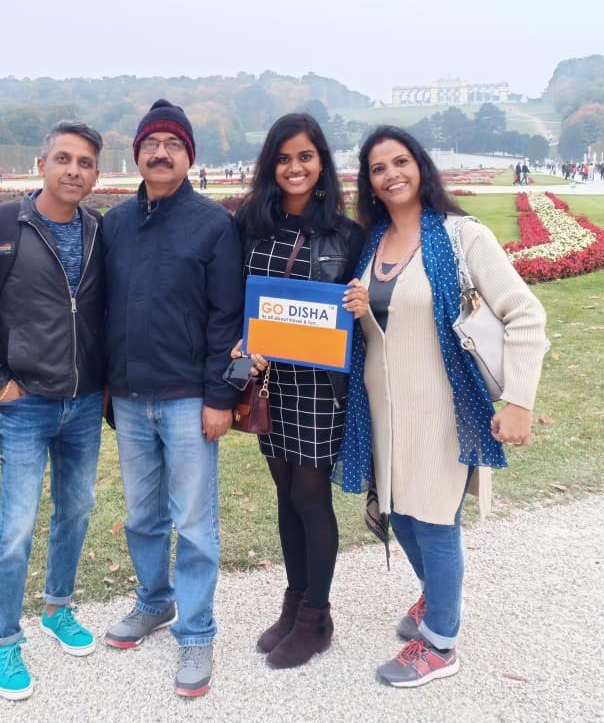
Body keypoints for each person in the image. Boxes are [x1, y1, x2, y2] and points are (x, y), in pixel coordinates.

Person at [337, 125, 547, 688]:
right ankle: (436, 595)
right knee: (401, 512)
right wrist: (360, 307)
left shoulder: (461, 236)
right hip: (384, 410)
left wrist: (519, 401)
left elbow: (525, 313)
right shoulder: (373, 242)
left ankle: (440, 644)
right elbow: (386, 324)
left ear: (420, 166)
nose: (391, 175)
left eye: (400, 162)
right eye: (378, 168)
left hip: (441, 407)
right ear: (370, 183)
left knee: (434, 519)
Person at [0, 122, 107, 701]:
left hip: (83, 401)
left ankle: (57, 608)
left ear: (96, 173)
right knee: (16, 527)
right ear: (42, 164)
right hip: (25, 404)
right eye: (63, 158)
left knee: (77, 510)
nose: (73, 170)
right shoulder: (2, 226)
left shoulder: (98, 230)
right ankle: (5, 640)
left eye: (84, 162)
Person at [101, 99, 243, 698]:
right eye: (151, 144)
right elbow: (102, 309)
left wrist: (220, 397)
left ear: (189, 156)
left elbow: (225, 316)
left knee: (195, 522)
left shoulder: (212, 224)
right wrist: (107, 386)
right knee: (142, 516)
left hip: (189, 398)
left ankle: (197, 630)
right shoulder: (113, 223)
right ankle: (155, 600)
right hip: (131, 397)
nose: (161, 154)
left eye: (173, 145)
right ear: (137, 153)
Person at [229, 113, 365, 669]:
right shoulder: (250, 224)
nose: (294, 168)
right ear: (271, 164)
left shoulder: (346, 234)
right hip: (269, 381)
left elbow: (366, 309)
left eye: (305, 156)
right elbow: (233, 297)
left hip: (319, 385)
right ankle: (294, 603)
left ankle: (315, 617)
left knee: (311, 497)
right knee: (285, 496)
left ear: (321, 162)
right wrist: (239, 342)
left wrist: (361, 305)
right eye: (284, 158)